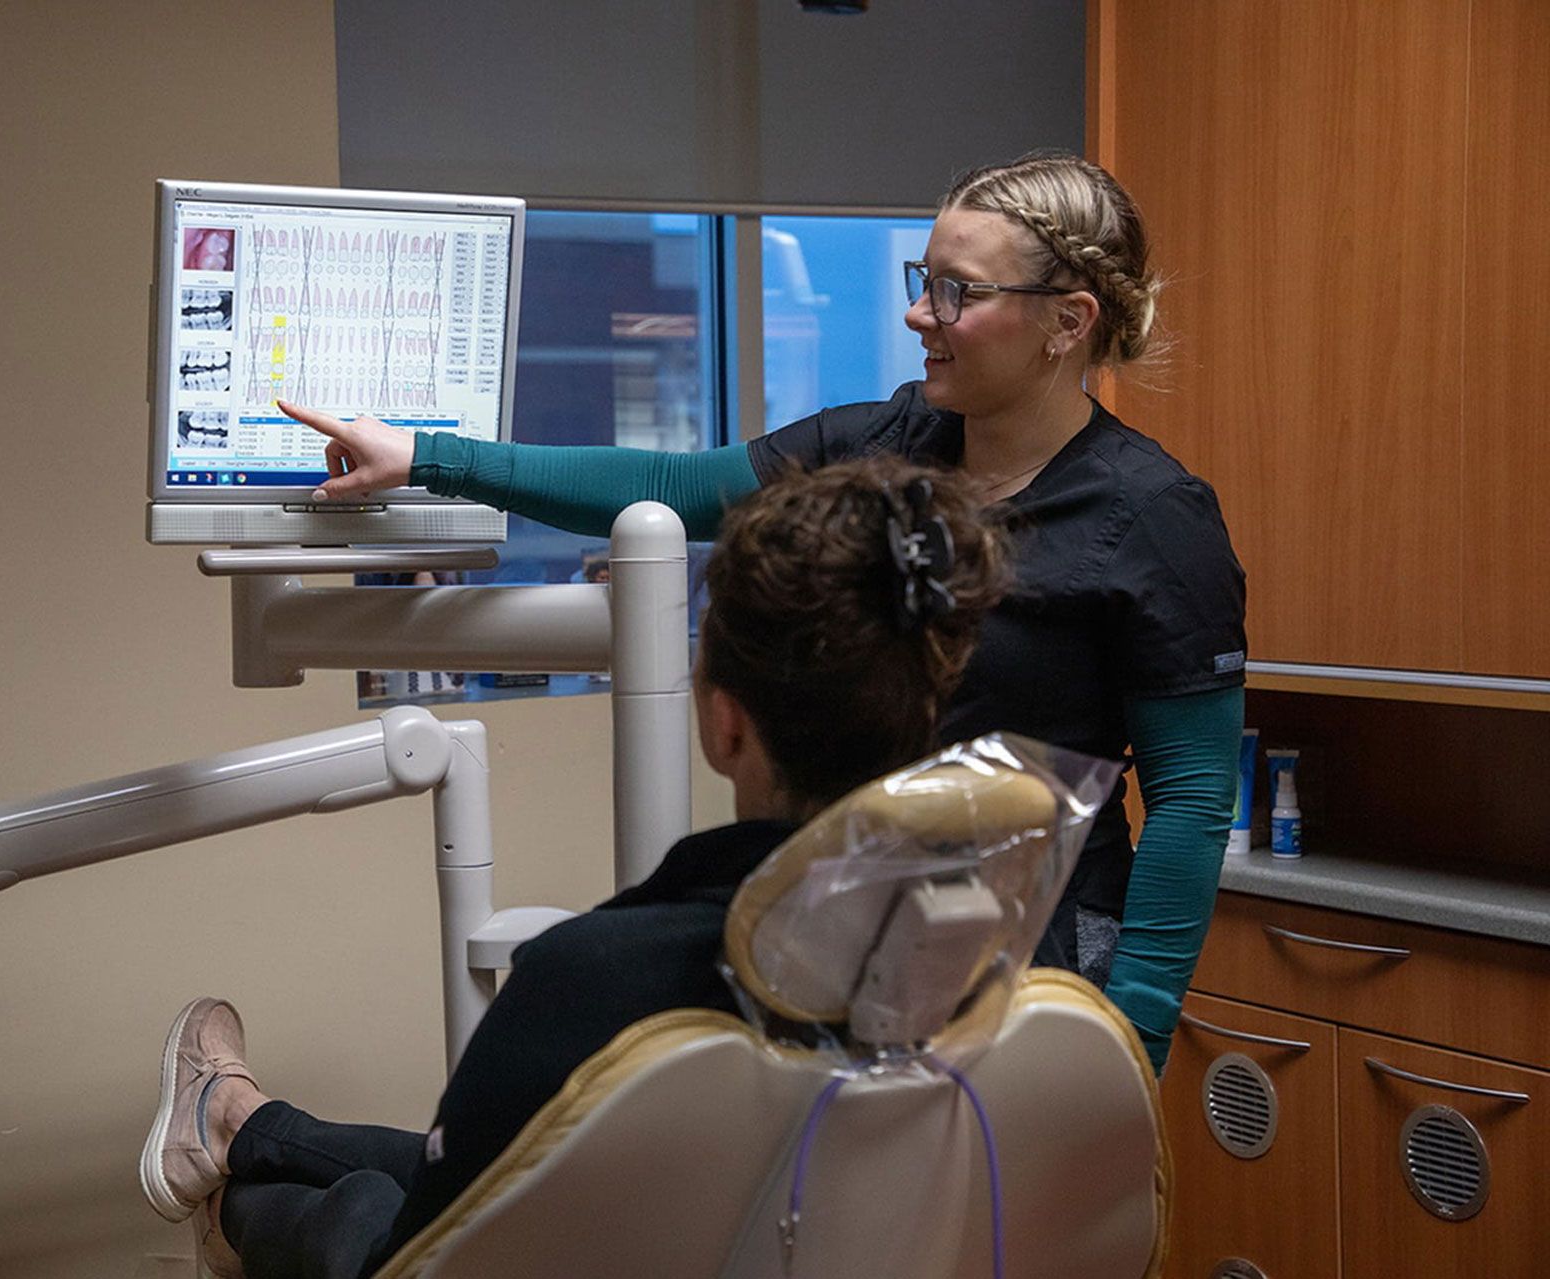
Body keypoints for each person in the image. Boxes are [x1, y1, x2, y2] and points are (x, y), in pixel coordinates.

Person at [280, 151, 1244, 1075]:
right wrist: (428, 457)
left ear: (1067, 321)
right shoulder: (889, 438)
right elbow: (667, 486)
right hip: (853, 923)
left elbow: (1192, 798)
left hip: (1041, 957)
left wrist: (1136, 1034)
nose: (919, 312)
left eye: (958, 290)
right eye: (923, 277)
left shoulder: (1156, 518)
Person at [140, 455, 1007, 1278]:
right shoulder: (986, 968)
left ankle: (231, 1194)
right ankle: (238, 1119)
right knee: (464, 1159)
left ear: (725, 724)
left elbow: (437, 1237)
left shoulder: (598, 979)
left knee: (370, 1203)